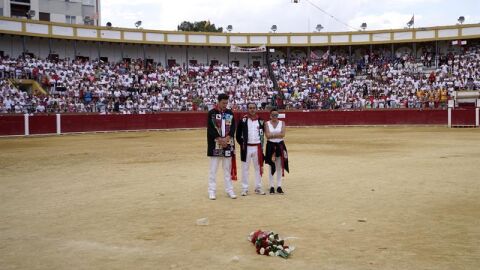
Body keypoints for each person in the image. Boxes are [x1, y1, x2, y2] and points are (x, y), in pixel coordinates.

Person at [207, 93, 237, 200]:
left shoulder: (230, 113)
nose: (225, 105)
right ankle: (211, 191)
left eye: (226, 103)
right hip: (216, 145)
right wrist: (219, 139)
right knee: (213, 169)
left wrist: (228, 138)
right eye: (223, 103)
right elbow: (210, 129)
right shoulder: (211, 113)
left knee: (227, 169)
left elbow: (233, 127)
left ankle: (229, 190)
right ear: (218, 101)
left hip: (228, 144)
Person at [236, 102, 266, 196]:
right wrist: (243, 144)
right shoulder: (243, 120)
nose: (252, 109)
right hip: (246, 147)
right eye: (250, 108)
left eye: (253, 108)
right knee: (245, 168)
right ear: (247, 109)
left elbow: (263, 134)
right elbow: (237, 135)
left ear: (256, 109)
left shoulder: (261, 121)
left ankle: (258, 187)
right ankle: (245, 188)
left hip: (257, 147)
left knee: (258, 168)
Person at [264, 108, 289, 194]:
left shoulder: (282, 123)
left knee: (279, 166)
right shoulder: (266, 123)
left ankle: (279, 186)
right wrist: (278, 135)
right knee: (271, 166)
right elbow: (267, 136)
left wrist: (272, 135)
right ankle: (271, 186)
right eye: (273, 115)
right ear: (270, 116)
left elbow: (283, 134)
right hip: (271, 146)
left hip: (280, 145)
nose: (274, 116)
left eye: (276, 115)